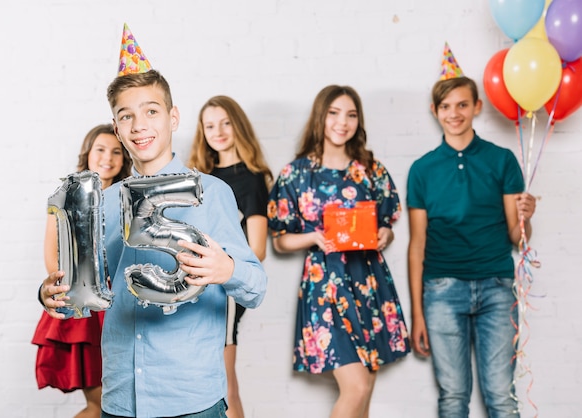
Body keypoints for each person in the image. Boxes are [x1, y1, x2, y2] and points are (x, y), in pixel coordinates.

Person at [38, 24, 267, 418]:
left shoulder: (212, 193)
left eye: (151, 111)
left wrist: (225, 268)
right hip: (121, 397)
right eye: (126, 116)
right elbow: (85, 287)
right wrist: (52, 296)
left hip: (191, 397)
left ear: (173, 117)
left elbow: (256, 288)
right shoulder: (105, 202)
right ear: (117, 129)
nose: (139, 125)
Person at [406, 49, 537, 418]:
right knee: (453, 396)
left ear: (477, 106)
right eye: (446, 106)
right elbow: (417, 246)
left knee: (501, 395)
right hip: (442, 291)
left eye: (462, 105)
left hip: (496, 286)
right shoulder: (423, 170)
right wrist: (417, 313)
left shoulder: (501, 160)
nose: (454, 114)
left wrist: (527, 216)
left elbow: (517, 236)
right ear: (435, 112)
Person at [267, 85, 410, 418]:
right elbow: (280, 239)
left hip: (370, 283)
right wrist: (314, 237)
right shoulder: (297, 173)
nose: (342, 122)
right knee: (356, 386)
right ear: (321, 116)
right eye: (333, 113)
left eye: (351, 114)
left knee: (365, 391)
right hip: (326, 288)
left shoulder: (370, 169)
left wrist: (385, 233)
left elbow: (387, 222)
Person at [32, 123, 131, 418]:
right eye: (100, 150)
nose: (108, 158)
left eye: (116, 152)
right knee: (100, 405)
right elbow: (52, 259)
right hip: (84, 309)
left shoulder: (128, 197)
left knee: (122, 405)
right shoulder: (65, 197)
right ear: (87, 153)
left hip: (120, 305)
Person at [188, 95, 273, 418]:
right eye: (210, 125)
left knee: (225, 386)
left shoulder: (250, 179)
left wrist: (217, 264)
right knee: (205, 385)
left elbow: (258, 249)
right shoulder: (199, 178)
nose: (218, 132)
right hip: (196, 288)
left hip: (224, 293)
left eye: (225, 123)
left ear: (238, 126)